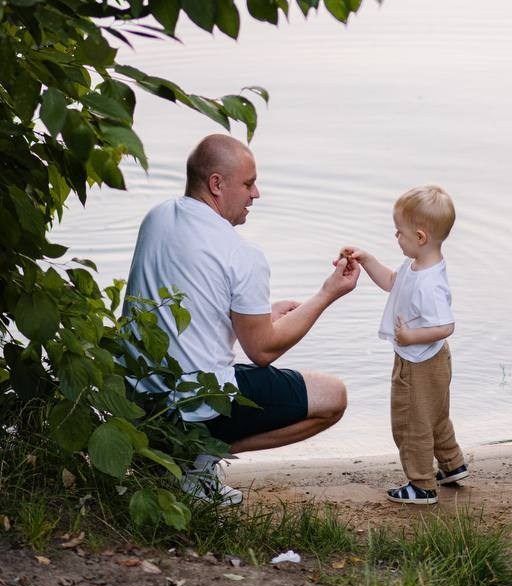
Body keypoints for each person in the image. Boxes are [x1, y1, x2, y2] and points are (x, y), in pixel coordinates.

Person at [124, 133, 360, 505]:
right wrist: (326, 294)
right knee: (333, 396)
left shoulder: (156, 220)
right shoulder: (242, 253)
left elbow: (194, 317)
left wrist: (262, 315)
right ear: (216, 184)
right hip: (196, 403)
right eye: (248, 184)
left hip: (140, 397)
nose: (256, 194)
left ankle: (174, 457)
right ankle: (196, 461)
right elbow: (263, 351)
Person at [341, 185, 467, 506]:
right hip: (430, 358)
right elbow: (391, 283)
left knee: (411, 421)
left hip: (419, 361)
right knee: (435, 414)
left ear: (421, 237)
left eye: (400, 233)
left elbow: (445, 325)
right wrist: (367, 260)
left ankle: (422, 485)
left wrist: (410, 337)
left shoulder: (429, 283)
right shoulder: (417, 268)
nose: (396, 238)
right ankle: (452, 465)